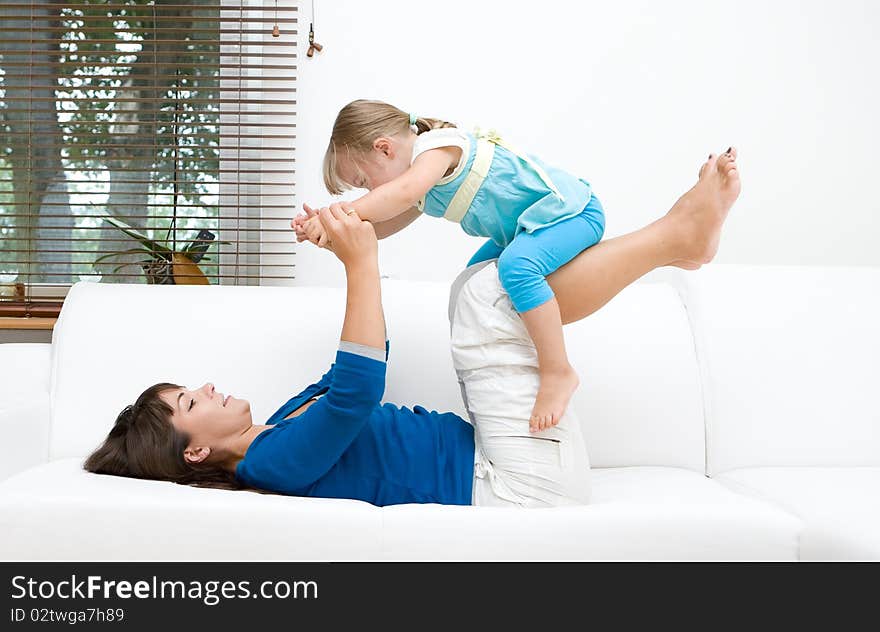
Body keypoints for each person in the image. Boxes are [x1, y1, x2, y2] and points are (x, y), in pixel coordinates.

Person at [84, 149, 740, 507]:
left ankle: (669, 242)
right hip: (519, 486)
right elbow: (358, 389)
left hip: (512, 462)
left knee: (477, 287)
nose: (205, 386)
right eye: (190, 403)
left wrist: (359, 237)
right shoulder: (272, 464)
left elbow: (360, 360)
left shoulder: (279, 427)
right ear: (194, 452)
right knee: (488, 297)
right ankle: (673, 240)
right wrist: (359, 259)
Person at [297, 99, 609, 432]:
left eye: (363, 180)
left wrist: (341, 214)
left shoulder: (437, 147)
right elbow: (380, 225)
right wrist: (331, 232)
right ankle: (518, 366)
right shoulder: (420, 187)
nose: (370, 191)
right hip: (530, 228)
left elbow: (397, 195)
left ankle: (557, 369)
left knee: (516, 268)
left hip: (571, 213)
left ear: (384, 149)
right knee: (473, 283)